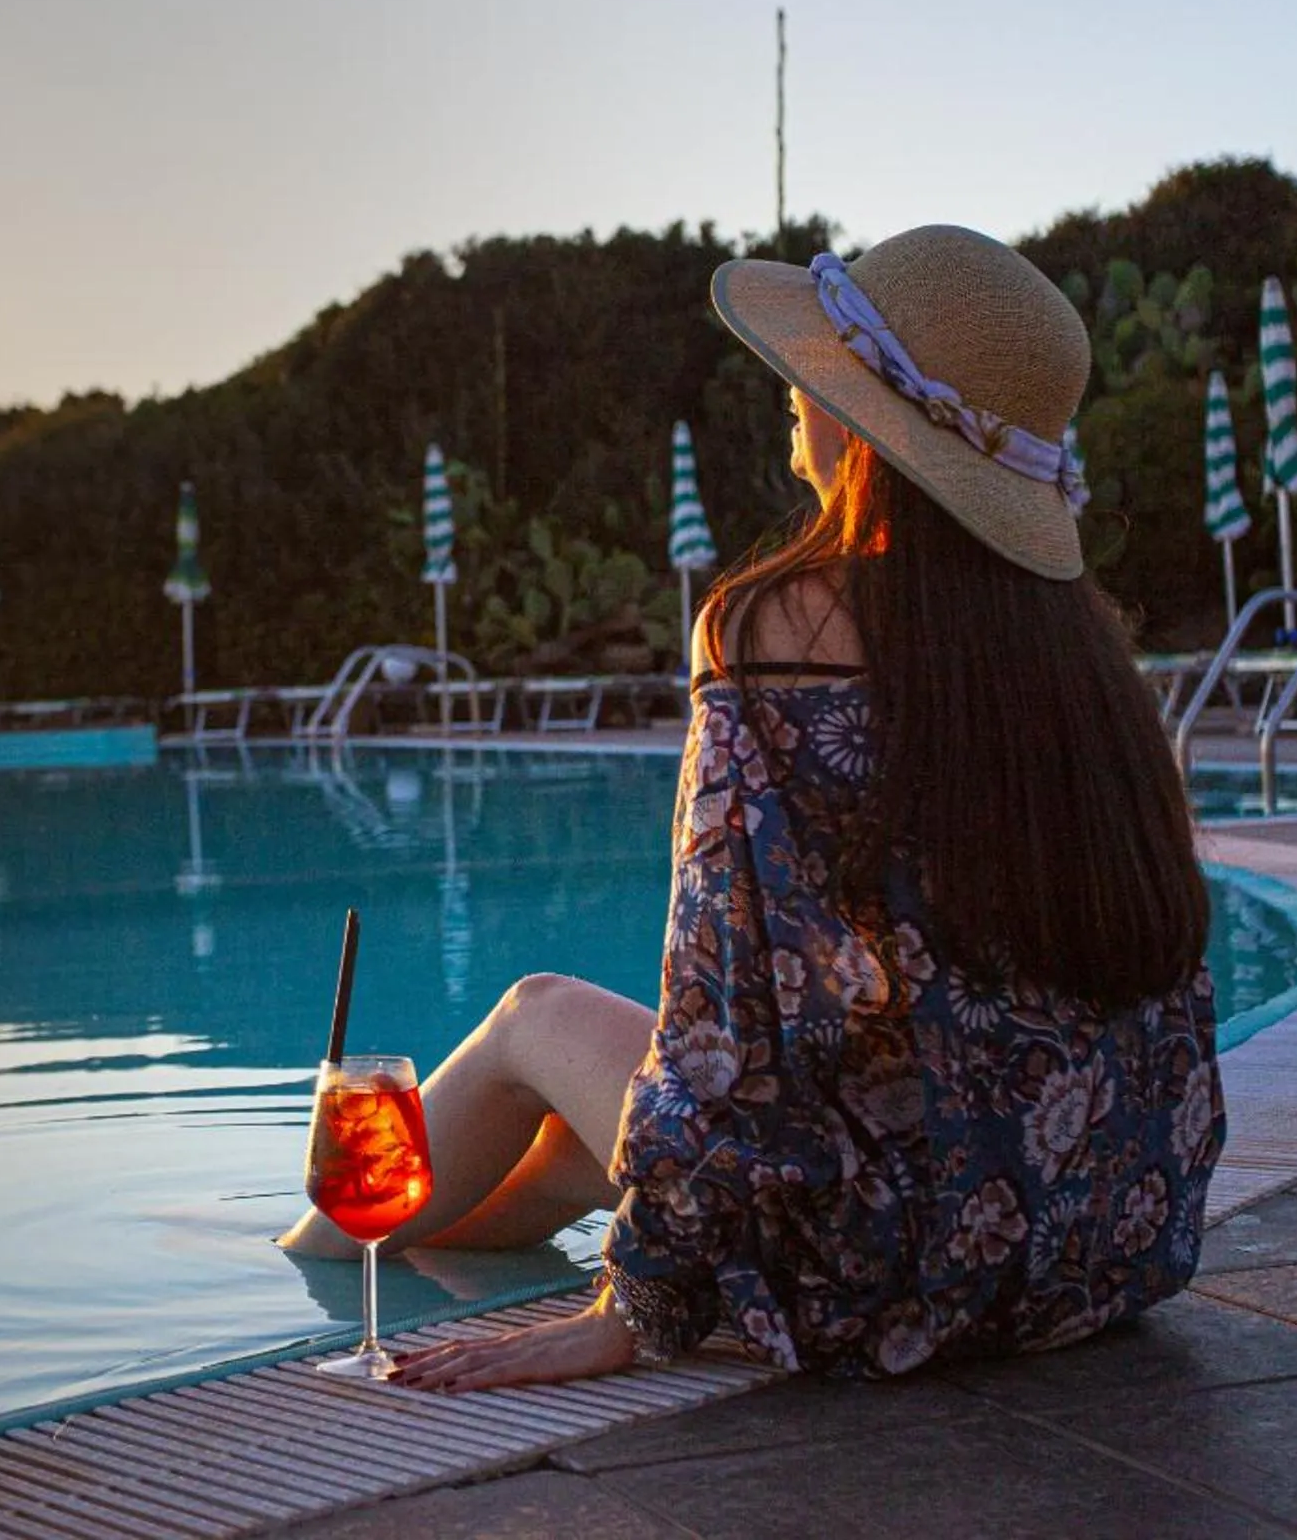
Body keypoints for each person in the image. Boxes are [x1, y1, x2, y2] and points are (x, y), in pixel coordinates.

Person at [280, 224, 1225, 1390]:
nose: (793, 390)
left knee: (532, 1014)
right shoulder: (1088, 664)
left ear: (869, 420)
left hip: (882, 1272)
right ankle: (440, 1230)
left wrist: (637, 1305)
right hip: (1101, 1243)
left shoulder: (776, 630)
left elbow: (718, 1015)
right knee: (583, 1142)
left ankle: (304, 1266)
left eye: (817, 366)